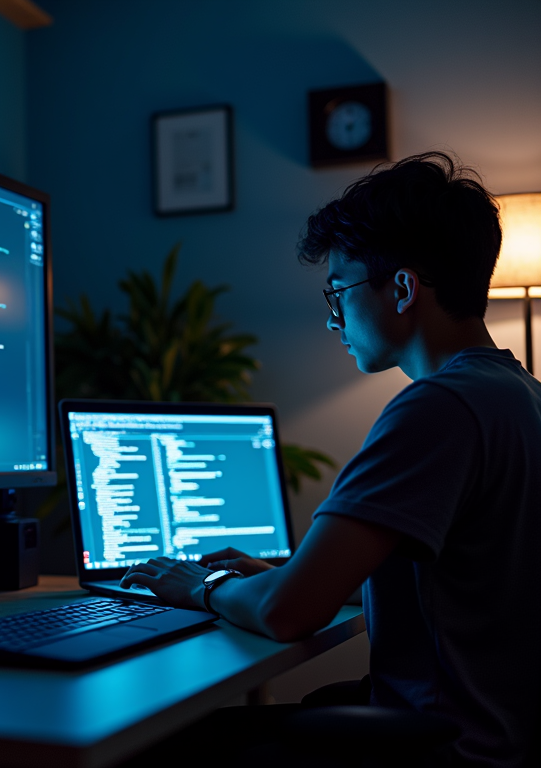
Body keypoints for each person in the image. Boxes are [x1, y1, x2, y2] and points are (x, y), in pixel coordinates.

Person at [121, 152, 541, 767]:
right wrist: (285, 572)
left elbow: (290, 615)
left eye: (338, 291)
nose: (331, 317)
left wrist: (204, 585)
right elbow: (461, 588)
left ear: (402, 288)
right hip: (500, 736)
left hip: (447, 746)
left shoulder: (439, 408)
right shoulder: (519, 394)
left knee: (154, 746)